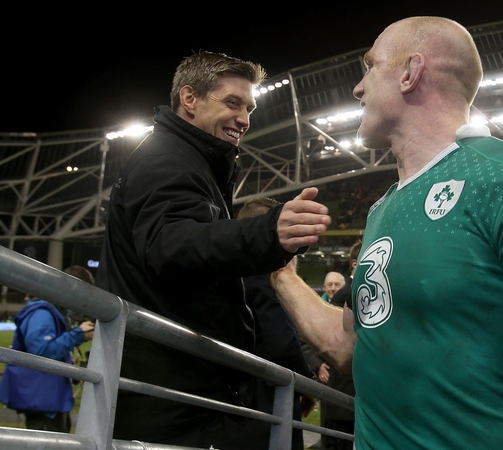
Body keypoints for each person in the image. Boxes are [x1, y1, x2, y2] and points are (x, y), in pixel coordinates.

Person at [271, 16, 503, 449]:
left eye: (370, 66)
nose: (358, 89)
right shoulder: (383, 208)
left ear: (410, 72)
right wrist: (280, 272)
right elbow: (351, 345)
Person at [96, 51, 331, 447]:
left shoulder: (192, 161)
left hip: (186, 392)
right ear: (189, 99)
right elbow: (169, 246)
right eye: (232, 103)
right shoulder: (165, 159)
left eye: (249, 107)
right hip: (172, 399)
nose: (245, 118)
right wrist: (267, 233)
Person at [236, 196, 318, 450]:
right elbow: (281, 341)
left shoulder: (225, 267)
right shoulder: (265, 271)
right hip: (263, 399)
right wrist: (308, 384)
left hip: (233, 399)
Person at [0, 265, 95, 432]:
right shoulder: (42, 312)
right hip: (43, 401)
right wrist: (78, 335)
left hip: (48, 400)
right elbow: (41, 352)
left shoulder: (49, 310)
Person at [320, 241, 360, 450]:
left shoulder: (350, 291)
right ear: (355, 263)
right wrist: (318, 363)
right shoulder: (348, 293)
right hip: (342, 393)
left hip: (345, 394)